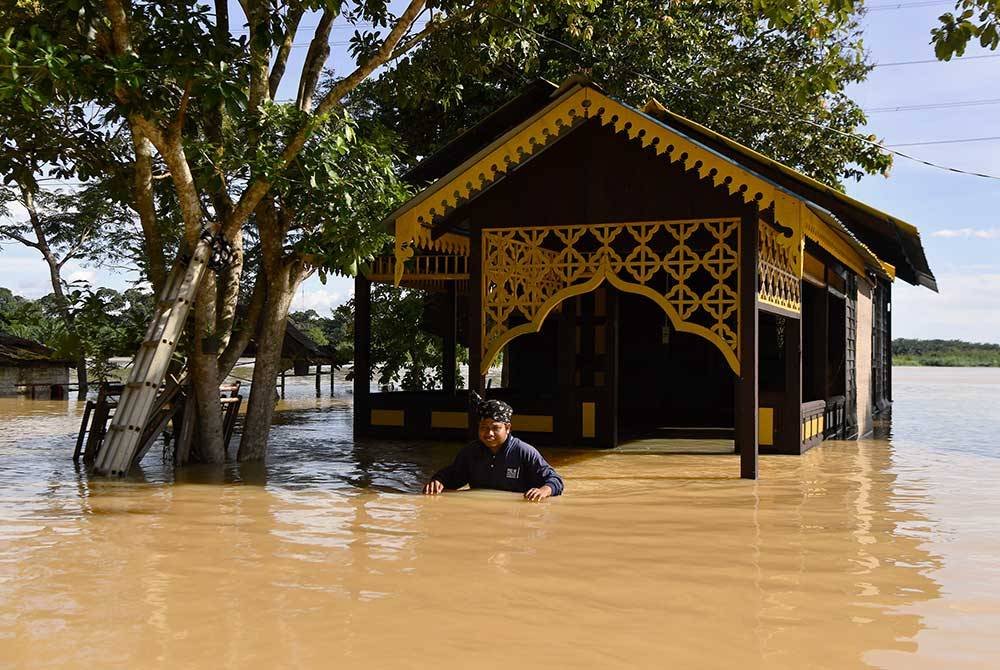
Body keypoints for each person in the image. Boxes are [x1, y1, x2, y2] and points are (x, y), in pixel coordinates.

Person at [423, 394, 564, 501]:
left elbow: (555, 480)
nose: (489, 433)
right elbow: (453, 475)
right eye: (484, 427)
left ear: (507, 428)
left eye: (495, 428)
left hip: (515, 515)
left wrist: (544, 491)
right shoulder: (470, 452)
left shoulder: (524, 452)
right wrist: (438, 481)